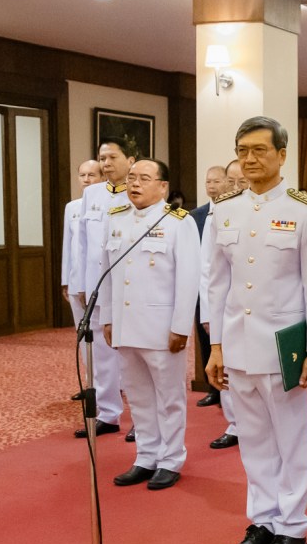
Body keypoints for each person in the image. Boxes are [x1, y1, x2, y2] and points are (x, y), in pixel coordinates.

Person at [206, 116, 307, 544]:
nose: (250, 158)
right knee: (254, 439)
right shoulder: (224, 211)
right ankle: (261, 521)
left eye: (260, 150)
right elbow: (215, 286)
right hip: (237, 345)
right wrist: (215, 346)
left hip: (284, 346)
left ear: (282, 154)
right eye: (243, 150)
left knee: (291, 437)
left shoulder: (305, 210)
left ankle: (293, 526)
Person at [101, 159, 200, 490]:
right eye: (132, 178)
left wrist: (181, 327)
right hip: (127, 326)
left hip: (161, 328)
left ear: (163, 187)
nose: (135, 183)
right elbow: (110, 274)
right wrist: (108, 317)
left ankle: (170, 460)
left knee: (169, 398)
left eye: (145, 178)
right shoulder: (116, 220)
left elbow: (188, 279)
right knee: (139, 397)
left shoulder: (178, 223)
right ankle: (146, 456)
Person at [71, 137, 135, 439]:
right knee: (100, 353)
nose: (106, 164)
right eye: (102, 158)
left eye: (112, 158)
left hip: (127, 287)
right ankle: (108, 414)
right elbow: (83, 242)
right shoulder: (92, 194)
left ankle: (143, 420)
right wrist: (81, 283)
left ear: (130, 160)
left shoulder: (138, 191)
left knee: (133, 354)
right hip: (96, 285)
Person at [197, 162, 243, 450]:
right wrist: (208, 316)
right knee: (228, 369)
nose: (238, 186)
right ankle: (235, 424)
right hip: (225, 311)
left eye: (243, 181)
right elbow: (208, 273)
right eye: (233, 181)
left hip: (262, 311)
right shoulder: (218, 216)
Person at [191, 165, 228, 409]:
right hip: (201, 287)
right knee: (206, 341)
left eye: (216, 181)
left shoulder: (231, 211)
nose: (211, 186)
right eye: (208, 181)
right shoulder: (195, 215)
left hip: (225, 289)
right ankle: (211, 388)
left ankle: (228, 392)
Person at [61, 160, 101, 384]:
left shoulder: (108, 205)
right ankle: (90, 382)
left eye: (92, 175)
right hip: (76, 281)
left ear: (102, 178)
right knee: (82, 334)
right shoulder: (72, 207)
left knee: (102, 338)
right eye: (82, 175)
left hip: (96, 283)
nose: (86, 180)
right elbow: (69, 246)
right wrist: (65, 281)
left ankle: (113, 383)